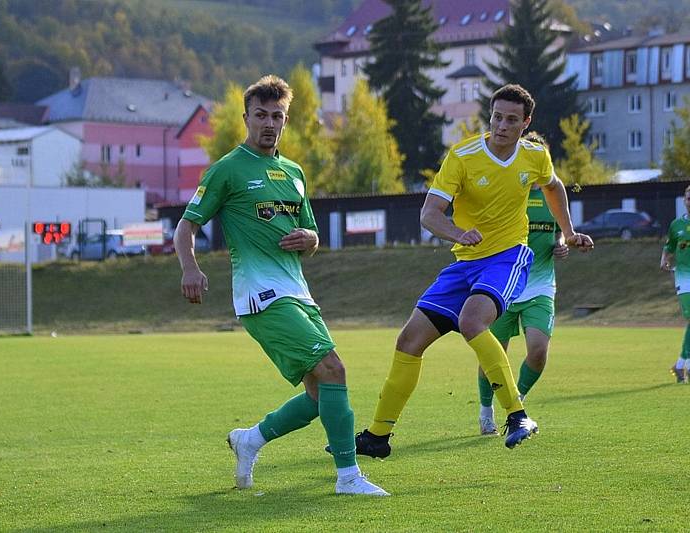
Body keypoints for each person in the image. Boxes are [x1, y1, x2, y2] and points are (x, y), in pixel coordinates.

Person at [174, 75, 389, 496]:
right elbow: (186, 226)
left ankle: (250, 439)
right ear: (246, 118)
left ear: (285, 120)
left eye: (277, 116)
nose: (268, 123)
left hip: (299, 292)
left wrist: (311, 239)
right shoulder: (228, 169)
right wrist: (189, 268)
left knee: (318, 393)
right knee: (335, 370)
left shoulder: (293, 172)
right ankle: (348, 478)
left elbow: (311, 232)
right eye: (260, 115)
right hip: (261, 296)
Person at [353, 84, 593, 457]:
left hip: (508, 256)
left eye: (512, 120)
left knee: (471, 322)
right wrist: (458, 233)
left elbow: (554, 186)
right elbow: (429, 214)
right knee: (408, 341)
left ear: (525, 122)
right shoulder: (463, 156)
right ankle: (377, 436)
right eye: (497, 117)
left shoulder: (534, 155)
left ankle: (517, 415)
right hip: (464, 262)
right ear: (490, 116)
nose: (502, 125)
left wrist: (569, 232)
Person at [477, 132, 570, 435]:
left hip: (540, 286)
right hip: (504, 286)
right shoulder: (506, 195)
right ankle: (486, 409)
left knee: (539, 350)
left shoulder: (553, 195)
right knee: (493, 353)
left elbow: (558, 234)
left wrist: (561, 245)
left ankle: (516, 402)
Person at [660, 184, 690, 384]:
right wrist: (664, 259)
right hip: (684, 277)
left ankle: (680, 365)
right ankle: (683, 365)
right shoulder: (676, 225)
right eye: (689, 197)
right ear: (684, 201)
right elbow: (669, 245)